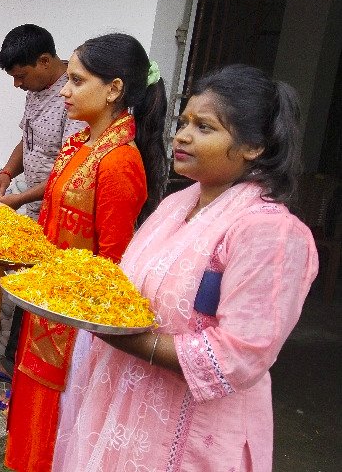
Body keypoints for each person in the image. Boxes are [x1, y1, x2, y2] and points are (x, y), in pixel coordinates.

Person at [52, 65, 318, 472]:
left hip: (193, 434)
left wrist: (121, 336)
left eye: (204, 127)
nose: (182, 136)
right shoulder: (178, 204)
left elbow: (238, 356)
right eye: (184, 122)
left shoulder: (270, 232)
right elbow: (129, 292)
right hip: (125, 404)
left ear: (253, 147)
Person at [4, 32, 170, 472]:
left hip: (77, 329)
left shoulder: (119, 161)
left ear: (114, 89)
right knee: (33, 419)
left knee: (62, 430)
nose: (65, 90)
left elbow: (114, 266)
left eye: (77, 81)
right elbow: (53, 225)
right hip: (48, 307)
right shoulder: (79, 145)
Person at [0, 24, 87, 404]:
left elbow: (69, 169)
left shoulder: (74, 96)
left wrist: (18, 199)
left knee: (42, 299)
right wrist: (7, 173)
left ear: (44, 61)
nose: (17, 85)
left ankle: (26, 380)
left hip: (61, 213)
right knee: (26, 289)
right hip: (35, 206)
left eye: (21, 76)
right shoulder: (36, 90)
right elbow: (28, 142)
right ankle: (13, 364)